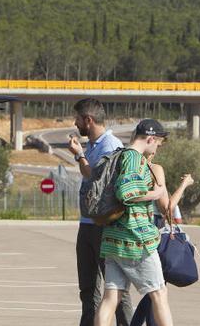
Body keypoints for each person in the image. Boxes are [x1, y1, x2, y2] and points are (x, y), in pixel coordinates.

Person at [96, 119, 173, 326]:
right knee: (159, 293)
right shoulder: (133, 158)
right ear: (150, 138)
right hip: (135, 240)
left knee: (111, 297)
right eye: (157, 142)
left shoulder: (119, 155)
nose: (157, 147)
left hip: (114, 239)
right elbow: (125, 192)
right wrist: (154, 193)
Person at [66, 98, 132, 326]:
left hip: (104, 226)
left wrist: (79, 155)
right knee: (87, 288)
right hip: (87, 224)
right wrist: (82, 153)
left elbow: (97, 178)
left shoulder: (110, 145)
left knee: (115, 288)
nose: (75, 124)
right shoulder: (94, 145)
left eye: (77, 120)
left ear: (88, 120)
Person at [130, 155, 194, 326]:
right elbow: (167, 207)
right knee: (157, 287)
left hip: (134, 228)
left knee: (154, 287)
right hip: (153, 229)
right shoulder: (154, 170)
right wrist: (184, 185)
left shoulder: (130, 169)